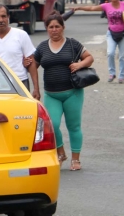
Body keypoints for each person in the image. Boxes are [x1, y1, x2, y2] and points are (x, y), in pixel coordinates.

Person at [33, 11, 94, 171]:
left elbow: (89, 57)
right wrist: (35, 87)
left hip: (72, 92)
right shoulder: (42, 47)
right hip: (51, 94)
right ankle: (61, 152)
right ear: (47, 29)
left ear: (63, 27)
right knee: (52, 124)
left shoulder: (72, 44)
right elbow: (34, 66)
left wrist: (80, 65)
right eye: (51, 27)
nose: (54, 30)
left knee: (73, 126)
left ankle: (75, 159)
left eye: (57, 26)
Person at [74, 0, 124, 83]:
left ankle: (121, 76)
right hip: (111, 33)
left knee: (122, 56)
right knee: (110, 53)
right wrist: (79, 8)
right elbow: (92, 8)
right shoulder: (106, 6)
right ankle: (112, 73)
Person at [0, 4, 39, 99]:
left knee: (22, 113)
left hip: (19, 83)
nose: (1, 20)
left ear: (8, 17)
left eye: (3, 16)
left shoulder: (21, 35)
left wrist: (36, 88)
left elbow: (32, 62)